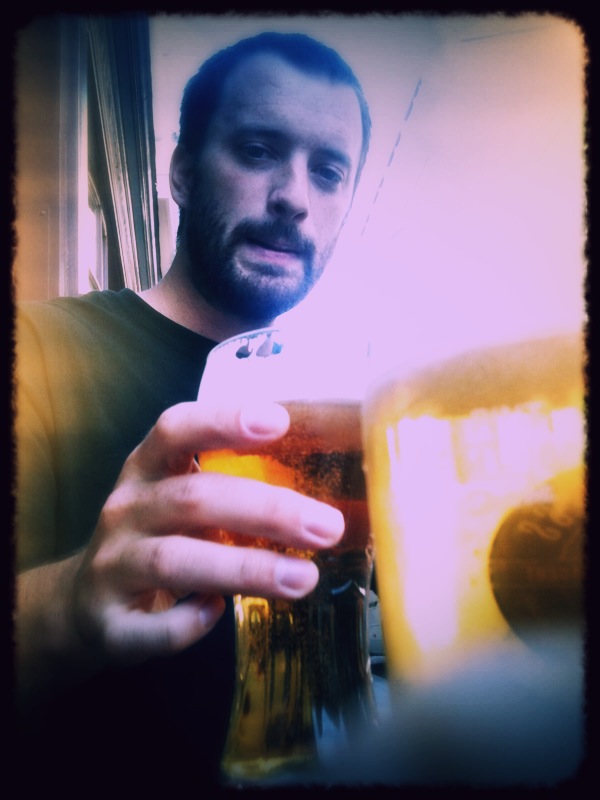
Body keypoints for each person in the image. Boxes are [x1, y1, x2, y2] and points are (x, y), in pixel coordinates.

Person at [14, 31, 371, 792]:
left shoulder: (348, 419)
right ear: (181, 171)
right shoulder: (38, 349)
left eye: (328, 170)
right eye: (258, 150)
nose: (295, 197)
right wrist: (71, 607)